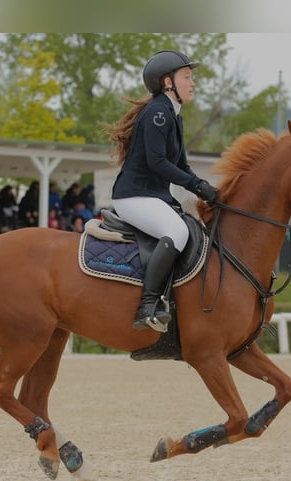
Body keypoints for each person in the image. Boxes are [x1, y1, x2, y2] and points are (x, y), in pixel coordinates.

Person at [107, 49, 218, 331]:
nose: (193, 83)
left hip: (152, 196)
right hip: (134, 196)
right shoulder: (158, 113)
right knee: (178, 232)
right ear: (168, 82)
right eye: (187, 77)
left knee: (186, 229)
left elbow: (180, 164)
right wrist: (194, 184)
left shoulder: (173, 115)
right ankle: (148, 305)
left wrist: (204, 189)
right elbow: (158, 163)